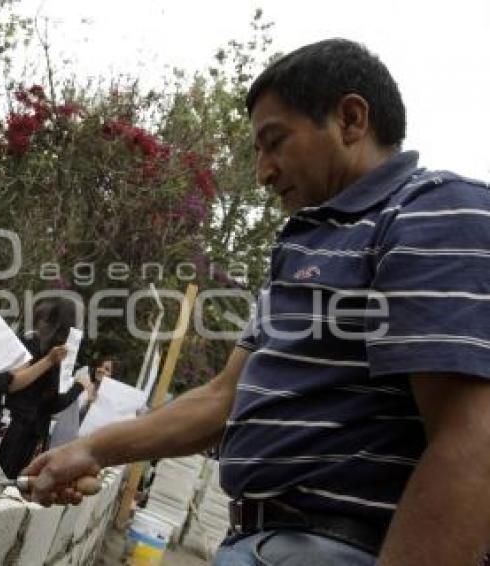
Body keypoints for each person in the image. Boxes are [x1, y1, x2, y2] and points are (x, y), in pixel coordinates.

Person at [25, 38, 490, 565]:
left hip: (344, 547)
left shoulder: (431, 211)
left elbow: (471, 439)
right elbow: (224, 398)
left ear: (351, 119)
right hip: (259, 542)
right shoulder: (306, 244)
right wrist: (92, 448)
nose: (264, 171)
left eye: (275, 142)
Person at [0, 298, 91, 478]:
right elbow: (54, 401)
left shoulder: (43, 345)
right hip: (19, 427)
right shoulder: (50, 351)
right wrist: (80, 385)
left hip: (22, 425)